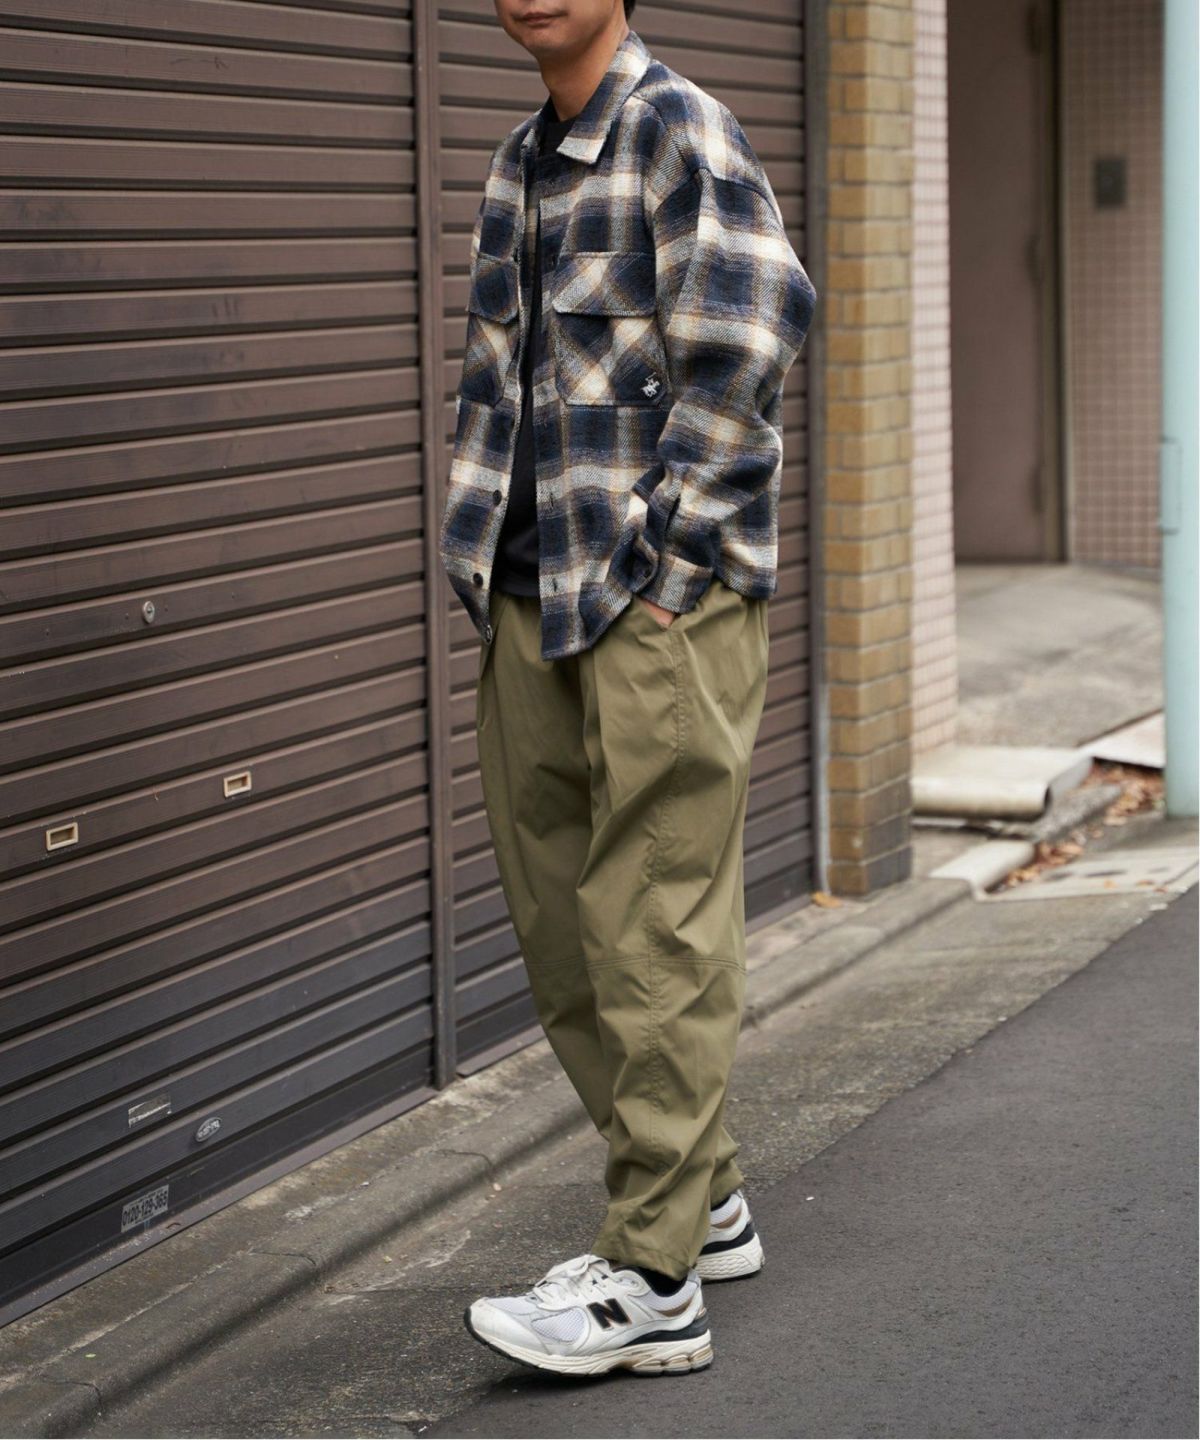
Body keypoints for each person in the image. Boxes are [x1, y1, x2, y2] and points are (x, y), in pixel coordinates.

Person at [438, 0, 816, 1378]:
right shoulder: (516, 162)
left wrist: (674, 566)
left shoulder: (678, 130)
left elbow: (753, 339)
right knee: (563, 930)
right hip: (528, 592)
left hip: (656, 599)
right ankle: (704, 1200)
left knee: (653, 923)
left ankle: (655, 1281)